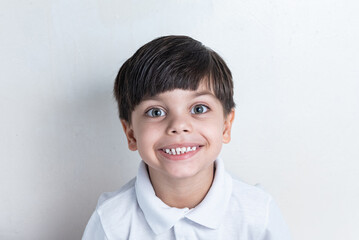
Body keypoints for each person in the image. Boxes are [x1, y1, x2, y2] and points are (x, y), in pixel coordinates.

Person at [82, 35, 291, 239]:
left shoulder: (258, 214)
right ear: (131, 134)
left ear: (226, 126)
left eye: (199, 108)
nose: (179, 126)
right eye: (156, 112)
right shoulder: (110, 223)